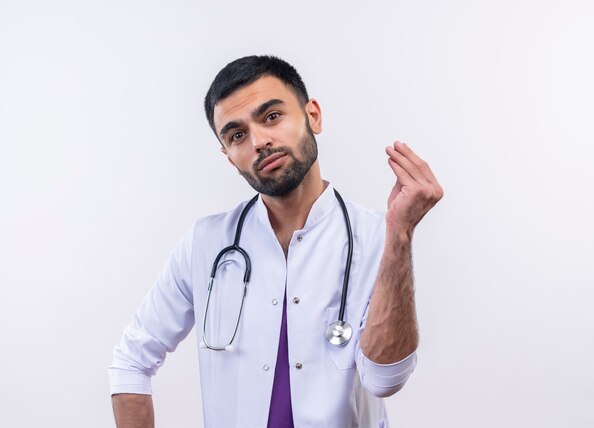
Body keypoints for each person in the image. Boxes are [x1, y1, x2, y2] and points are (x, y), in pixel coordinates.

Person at [109, 55, 443, 428]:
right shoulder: (206, 244)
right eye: (237, 135)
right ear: (229, 157)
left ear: (312, 116)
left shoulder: (374, 237)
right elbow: (131, 361)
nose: (259, 141)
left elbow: (384, 380)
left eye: (271, 116)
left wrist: (400, 233)